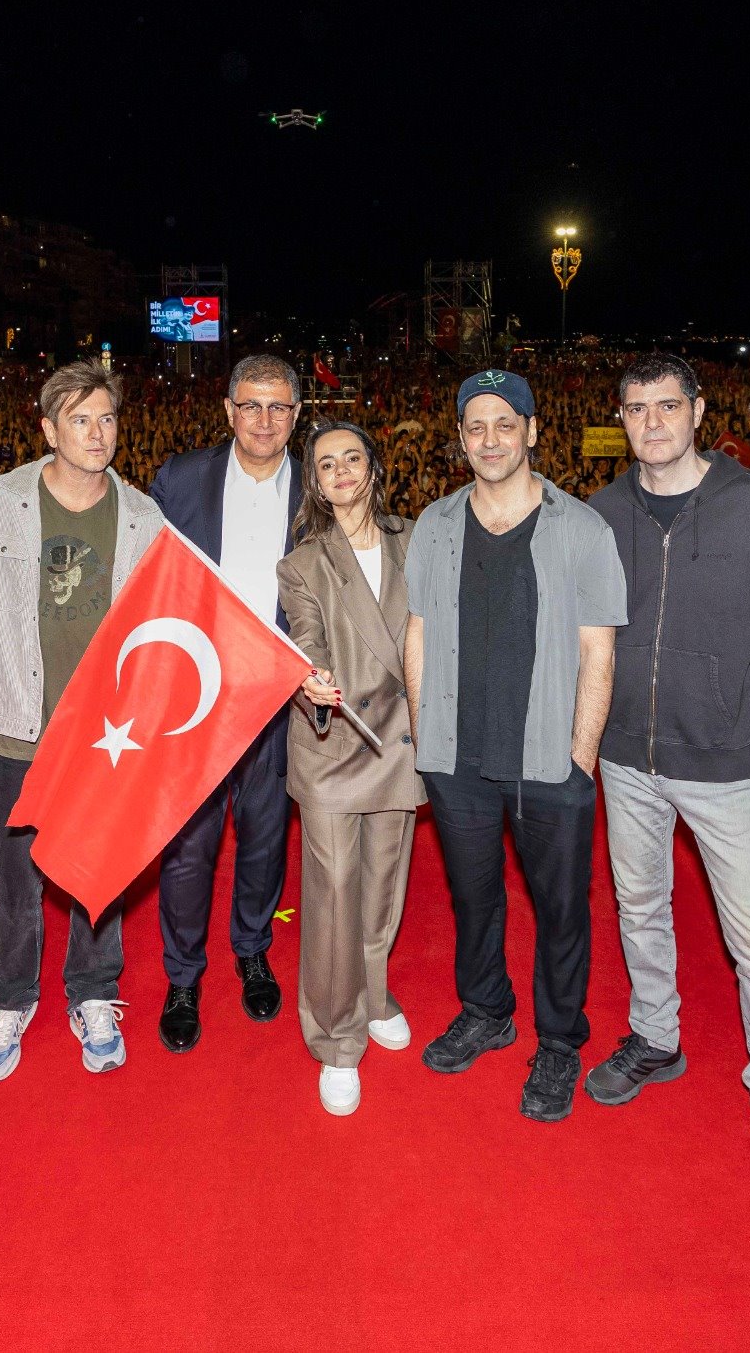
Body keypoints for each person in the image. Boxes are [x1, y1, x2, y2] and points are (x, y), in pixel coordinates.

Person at [586, 353, 750, 1197]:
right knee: (640, 904)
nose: (652, 422)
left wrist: (730, 684)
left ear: (699, 409)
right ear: (623, 416)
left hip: (724, 759)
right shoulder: (602, 512)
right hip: (628, 755)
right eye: (636, 407)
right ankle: (656, 1035)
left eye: (667, 405)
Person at [404, 368, 624, 1122]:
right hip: (455, 756)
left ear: (532, 430)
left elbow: (599, 651)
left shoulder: (584, 528)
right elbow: (419, 632)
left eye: (505, 423)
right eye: (475, 425)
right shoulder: (433, 524)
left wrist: (579, 761)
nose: (490, 438)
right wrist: (424, 737)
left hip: (547, 761)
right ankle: (488, 1010)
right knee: (474, 899)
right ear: (461, 437)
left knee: (562, 909)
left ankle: (559, 1041)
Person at [0, 361, 165, 1081]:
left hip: (105, 729)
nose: (96, 433)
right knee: (12, 876)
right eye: (79, 419)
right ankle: (11, 997)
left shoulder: (143, 515)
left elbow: (156, 623)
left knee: (98, 868)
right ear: (47, 427)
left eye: (107, 418)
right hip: (20, 722)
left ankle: (95, 991)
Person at [147, 354, 305, 1053]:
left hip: (278, 697)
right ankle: (183, 975)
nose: (263, 420)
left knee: (266, 838)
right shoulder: (180, 479)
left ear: (297, 414)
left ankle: (251, 948)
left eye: (278, 407)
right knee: (187, 848)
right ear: (227, 409)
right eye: (251, 405)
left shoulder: (317, 488)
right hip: (196, 698)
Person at [275, 421, 421, 1117]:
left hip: (400, 741)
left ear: (372, 467)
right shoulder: (303, 562)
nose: (339, 471)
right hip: (335, 743)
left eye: (350, 458)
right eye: (325, 462)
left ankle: (373, 990)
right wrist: (312, 675)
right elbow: (306, 633)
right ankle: (336, 1038)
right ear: (316, 479)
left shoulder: (415, 537)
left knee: (384, 885)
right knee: (333, 890)